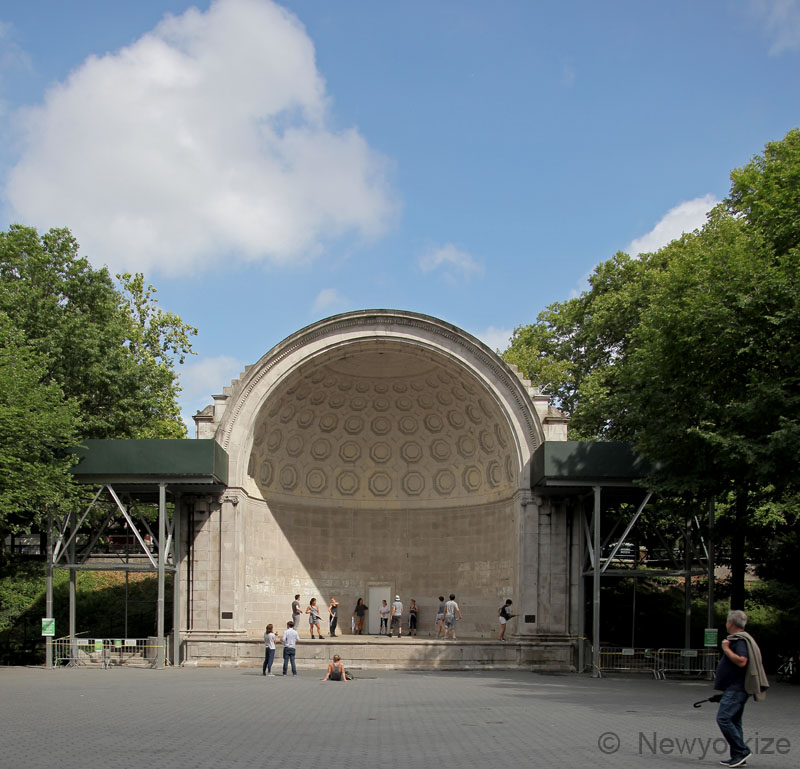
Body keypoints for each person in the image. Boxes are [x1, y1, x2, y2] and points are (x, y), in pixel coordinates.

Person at [713, 609, 768, 767]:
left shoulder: (739, 640)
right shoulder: (744, 639)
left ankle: (741, 750)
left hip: (736, 688)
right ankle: (738, 756)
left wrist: (726, 649)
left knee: (723, 719)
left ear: (730, 623)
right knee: (735, 721)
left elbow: (742, 661)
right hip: (738, 687)